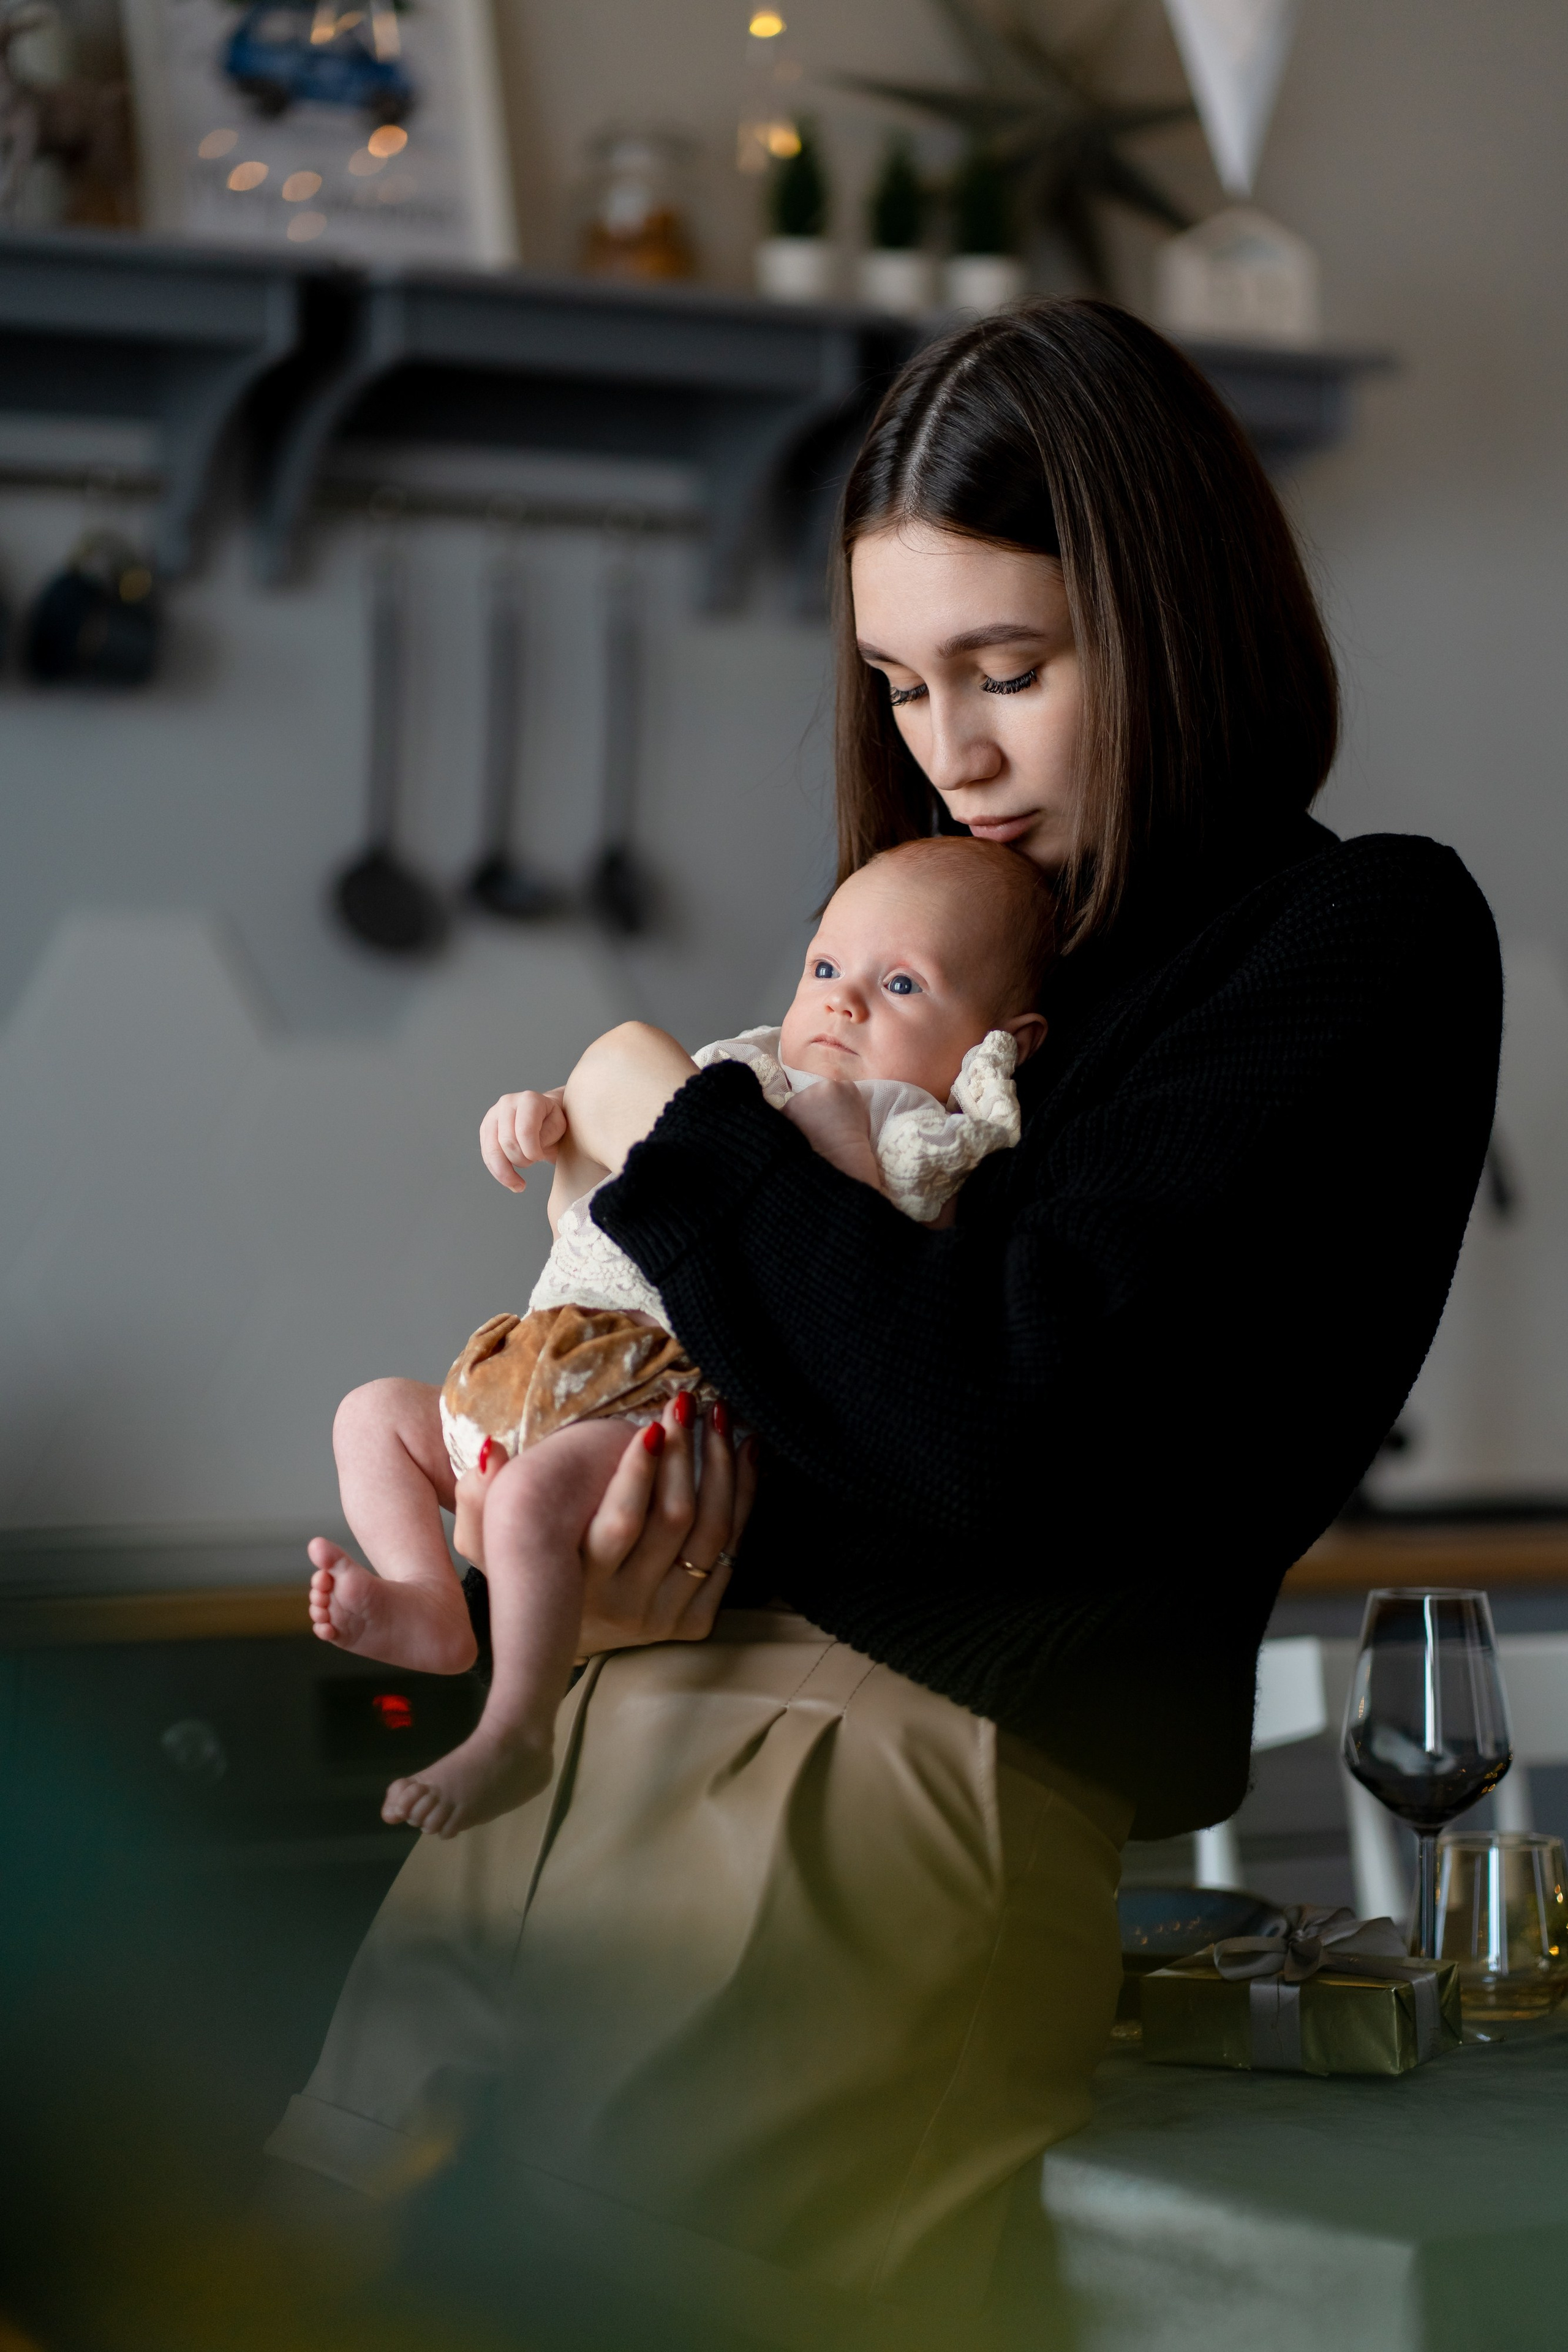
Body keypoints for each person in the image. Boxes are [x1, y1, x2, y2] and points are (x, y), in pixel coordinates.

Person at [264, 300, 1501, 2346]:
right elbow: (803, 1373)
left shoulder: (1352, 942)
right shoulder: (920, 954)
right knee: (336, 2286)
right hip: (594, 1737)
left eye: (1013, 670)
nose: (956, 747)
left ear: (1180, 619)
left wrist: (668, 1107)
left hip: (878, 1787)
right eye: (905, 683)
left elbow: (995, 1424)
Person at [304, 836, 1053, 1839]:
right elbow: (619, 1158)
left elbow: (864, 1284)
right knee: (373, 1417)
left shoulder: (916, 1128)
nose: (843, 1003)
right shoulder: (735, 1070)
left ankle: (516, 1726)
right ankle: (430, 1599)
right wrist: (545, 1120)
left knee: (527, 1501)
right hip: (531, 1360)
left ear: (1003, 1041)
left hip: (661, 1397)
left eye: (904, 984)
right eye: (825, 969)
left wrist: (840, 1159)